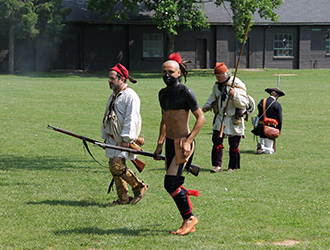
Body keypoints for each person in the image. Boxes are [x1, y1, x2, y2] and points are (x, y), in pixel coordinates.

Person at [153, 53, 205, 235]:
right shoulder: (162, 94)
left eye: (171, 72)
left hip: (183, 142)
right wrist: (159, 144)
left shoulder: (185, 92)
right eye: (164, 72)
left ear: (179, 73)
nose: (167, 75)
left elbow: (201, 118)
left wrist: (189, 141)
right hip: (168, 143)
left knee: (170, 184)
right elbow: (164, 120)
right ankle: (187, 218)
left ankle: (190, 218)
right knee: (172, 183)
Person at [102, 63, 148, 206]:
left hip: (122, 139)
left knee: (116, 166)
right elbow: (108, 116)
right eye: (109, 78)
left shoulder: (130, 96)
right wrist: (105, 136)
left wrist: (126, 139)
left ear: (122, 79)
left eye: (112, 78)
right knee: (114, 167)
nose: (109, 81)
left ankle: (139, 186)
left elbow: (132, 119)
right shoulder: (114, 96)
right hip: (112, 138)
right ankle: (123, 198)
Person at [202, 62, 250, 172]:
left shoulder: (237, 83)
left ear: (225, 74)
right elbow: (213, 96)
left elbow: (243, 103)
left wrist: (235, 95)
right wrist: (208, 105)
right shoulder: (217, 85)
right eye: (216, 77)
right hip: (220, 117)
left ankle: (232, 166)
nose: (217, 79)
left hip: (234, 118)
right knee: (216, 140)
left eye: (219, 76)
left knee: (233, 144)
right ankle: (217, 165)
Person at [252, 87, 285, 154]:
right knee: (270, 151)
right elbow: (280, 119)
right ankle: (263, 148)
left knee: (263, 140)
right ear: (277, 96)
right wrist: (278, 130)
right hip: (271, 128)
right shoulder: (277, 105)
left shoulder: (262, 101)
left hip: (261, 127)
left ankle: (262, 147)